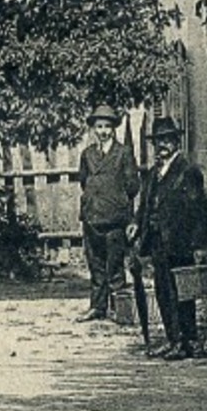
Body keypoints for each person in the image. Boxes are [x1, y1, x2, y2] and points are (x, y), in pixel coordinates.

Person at [131, 116, 207, 359]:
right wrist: (136, 223)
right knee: (164, 291)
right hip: (157, 241)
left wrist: (198, 244)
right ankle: (173, 338)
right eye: (159, 141)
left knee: (182, 292)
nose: (162, 145)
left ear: (176, 142)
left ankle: (187, 340)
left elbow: (199, 211)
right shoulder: (154, 173)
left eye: (167, 140)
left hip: (180, 240)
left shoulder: (188, 171)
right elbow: (144, 205)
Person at [76, 105, 140, 322]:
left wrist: (116, 199)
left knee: (114, 265)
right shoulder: (87, 154)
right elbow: (83, 181)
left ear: (114, 129)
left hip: (114, 219)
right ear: (93, 129)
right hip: (92, 217)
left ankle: (119, 309)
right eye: (99, 126)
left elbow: (133, 185)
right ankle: (97, 307)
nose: (103, 131)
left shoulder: (123, 153)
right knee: (95, 266)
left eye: (107, 127)